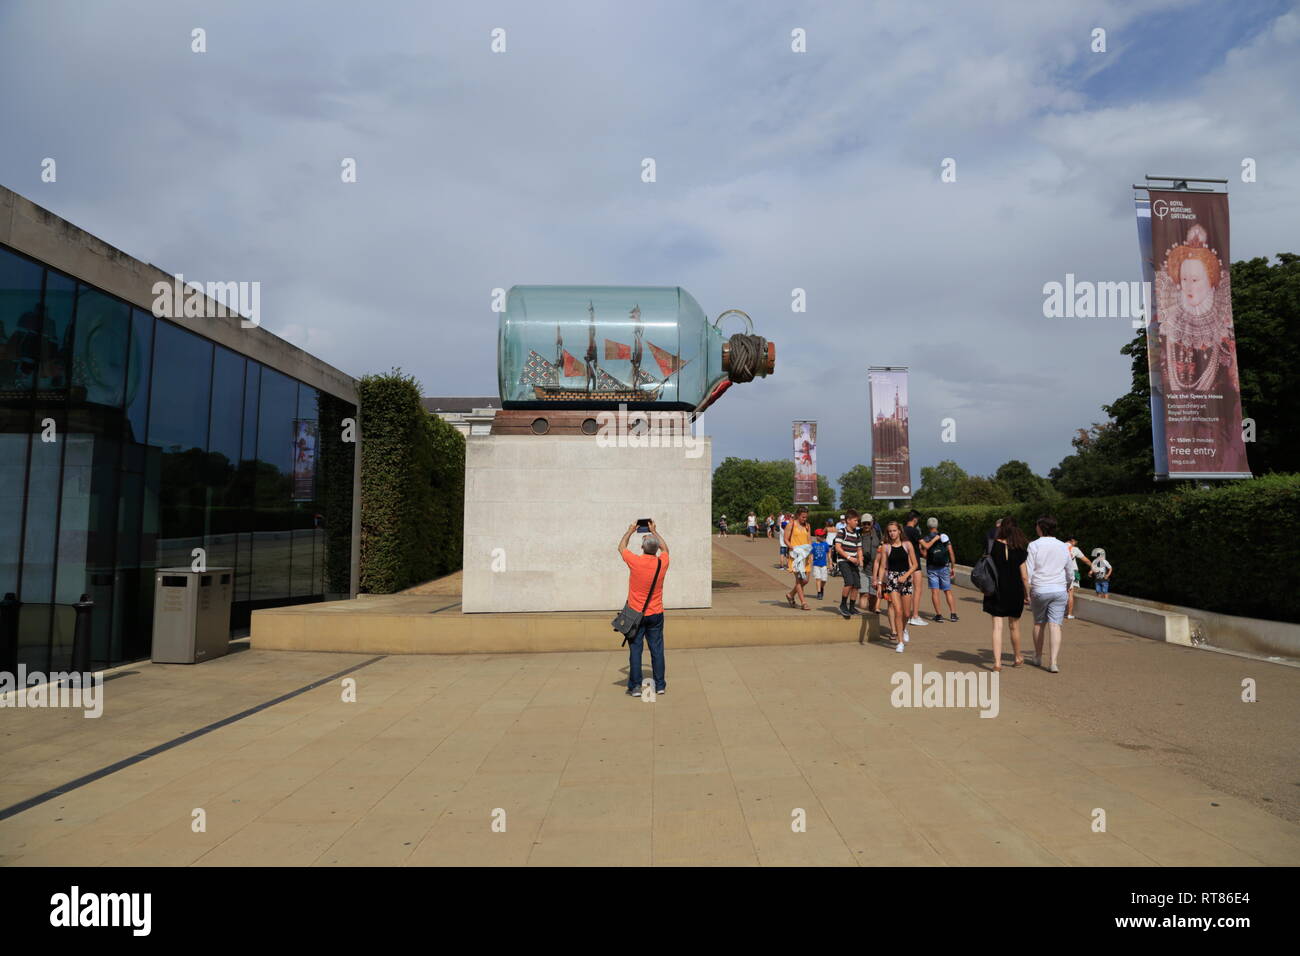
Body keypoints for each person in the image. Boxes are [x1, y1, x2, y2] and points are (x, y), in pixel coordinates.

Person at [618, 520, 671, 696]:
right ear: (655, 549)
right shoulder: (662, 562)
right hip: (656, 613)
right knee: (657, 650)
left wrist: (630, 530)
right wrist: (654, 532)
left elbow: (621, 547)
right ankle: (660, 685)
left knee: (636, 650)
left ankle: (635, 687)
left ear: (642, 547)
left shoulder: (636, 561)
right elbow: (666, 549)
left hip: (636, 615)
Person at [1026, 515, 1074, 674]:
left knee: (1039, 623)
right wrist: (1067, 585)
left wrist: (1028, 591)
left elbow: (1029, 571)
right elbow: (1069, 570)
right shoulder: (1063, 546)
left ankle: (1038, 656)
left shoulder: (1034, 545)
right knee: (1055, 625)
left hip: (1040, 588)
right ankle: (1053, 662)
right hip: (1059, 589)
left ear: (1041, 528)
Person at [982, 516, 1030, 671]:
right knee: (1014, 626)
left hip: (995, 589)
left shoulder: (992, 546)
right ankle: (1017, 657)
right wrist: (1027, 594)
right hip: (1015, 590)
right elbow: (1024, 576)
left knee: (997, 626)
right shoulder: (1021, 549)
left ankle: (997, 663)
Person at [874, 520, 918, 652]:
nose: (892, 533)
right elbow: (882, 567)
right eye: (890, 531)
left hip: (906, 578)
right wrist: (880, 583)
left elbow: (915, 565)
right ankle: (900, 642)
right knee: (897, 611)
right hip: (892, 579)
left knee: (906, 612)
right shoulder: (886, 547)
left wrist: (906, 575)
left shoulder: (907, 545)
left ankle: (904, 629)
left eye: (894, 530)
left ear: (899, 531)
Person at [921, 517, 958, 622]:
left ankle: (939, 615)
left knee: (935, 592)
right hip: (944, 567)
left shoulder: (926, 538)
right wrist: (952, 567)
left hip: (932, 567)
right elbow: (951, 552)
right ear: (937, 525)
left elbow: (924, 554)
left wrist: (929, 557)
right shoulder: (944, 537)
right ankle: (953, 614)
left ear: (928, 526)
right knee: (947, 591)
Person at [834, 509, 863, 619]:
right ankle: (843, 605)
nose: (857, 522)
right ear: (848, 520)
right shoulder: (842, 532)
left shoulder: (857, 533)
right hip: (844, 561)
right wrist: (849, 557)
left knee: (856, 584)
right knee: (849, 582)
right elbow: (838, 548)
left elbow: (859, 548)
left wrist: (860, 559)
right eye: (855, 520)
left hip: (854, 562)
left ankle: (851, 607)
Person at [903, 511, 929, 627]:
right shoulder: (914, 531)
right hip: (914, 562)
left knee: (906, 589)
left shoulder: (902, 530)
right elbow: (926, 545)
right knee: (917, 589)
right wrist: (936, 538)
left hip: (904, 562)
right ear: (914, 519)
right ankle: (915, 615)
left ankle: (906, 615)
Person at [784, 507, 812, 610]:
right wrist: (793, 548)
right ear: (798, 515)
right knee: (799, 579)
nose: (805, 519)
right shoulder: (791, 524)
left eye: (806, 517)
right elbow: (786, 539)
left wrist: (811, 553)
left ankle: (790, 595)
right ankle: (803, 603)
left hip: (806, 555)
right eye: (803, 517)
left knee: (806, 580)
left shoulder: (808, 526)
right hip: (796, 556)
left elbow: (809, 540)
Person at [857, 512, 882, 613]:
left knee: (873, 595)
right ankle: (861, 616)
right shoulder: (857, 534)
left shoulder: (878, 533)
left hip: (875, 570)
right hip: (862, 569)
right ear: (861, 524)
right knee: (864, 594)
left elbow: (883, 545)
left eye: (868, 523)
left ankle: (871, 618)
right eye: (864, 523)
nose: (866, 526)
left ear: (872, 523)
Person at [1064, 535, 1093, 619]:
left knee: (1060, 592)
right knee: (1070, 593)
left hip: (1060, 572)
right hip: (1072, 572)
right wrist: (1092, 567)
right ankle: (1069, 614)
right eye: (1075, 542)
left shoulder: (1059, 546)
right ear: (1072, 540)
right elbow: (1086, 560)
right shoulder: (1075, 549)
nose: (1076, 543)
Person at [810, 528, 830, 599]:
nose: (822, 537)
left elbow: (828, 553)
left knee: (824, 580)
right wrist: (811, 560)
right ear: (817, 536)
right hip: (816, 564)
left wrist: (830, 563)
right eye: (821, 536)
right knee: (818, 578)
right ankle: (819, 593)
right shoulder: (813, 544)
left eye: (823, 536)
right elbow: (811, 554)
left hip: (824, 564)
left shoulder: (825, 544)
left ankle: (821, 588)